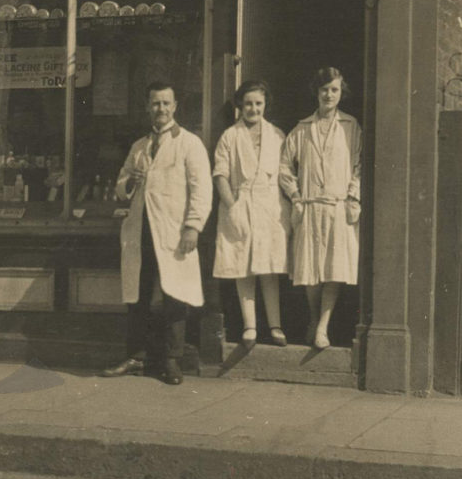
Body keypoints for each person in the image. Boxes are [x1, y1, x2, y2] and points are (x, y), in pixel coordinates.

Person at [102, 82, 212, 385]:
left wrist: (193, 226)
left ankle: (171, 360)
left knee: (174, 294)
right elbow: (120, 189)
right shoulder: (139, 146)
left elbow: (202, 190)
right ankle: (137, 356)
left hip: (174, 232)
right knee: (137, 294)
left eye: (166, 103)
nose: (160, 109)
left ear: (175, 107)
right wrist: (130, 181)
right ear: (147, 107)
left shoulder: (190, 144)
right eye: (155, 104)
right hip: (141, 231)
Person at [279, 67, 362, 349]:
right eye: (324, 89)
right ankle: (314, 318)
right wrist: (296, 197)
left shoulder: (351, 126)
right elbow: (284, 168)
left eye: (334, 90)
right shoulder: (302, 129)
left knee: (334, 269)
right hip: (310, 207)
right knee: (311, 270)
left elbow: (358, 166)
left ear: (341, 93)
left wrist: (353, 197)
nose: (329, 94)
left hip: (338, 207)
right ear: (317, 92)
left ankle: (323, 327)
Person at [213, 80, 292, 348]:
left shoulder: (278, 135)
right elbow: (220, 175)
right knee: (243, 266)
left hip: (270, 205)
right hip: (240, 203)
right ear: (240, 105)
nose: (253, 108)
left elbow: (286, 173)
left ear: (265, 104)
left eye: (258, 103)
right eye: (248, 103)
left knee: (269, 267)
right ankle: (250, 326)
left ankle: (275, 325)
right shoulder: (230, 136)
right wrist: (232, 206)